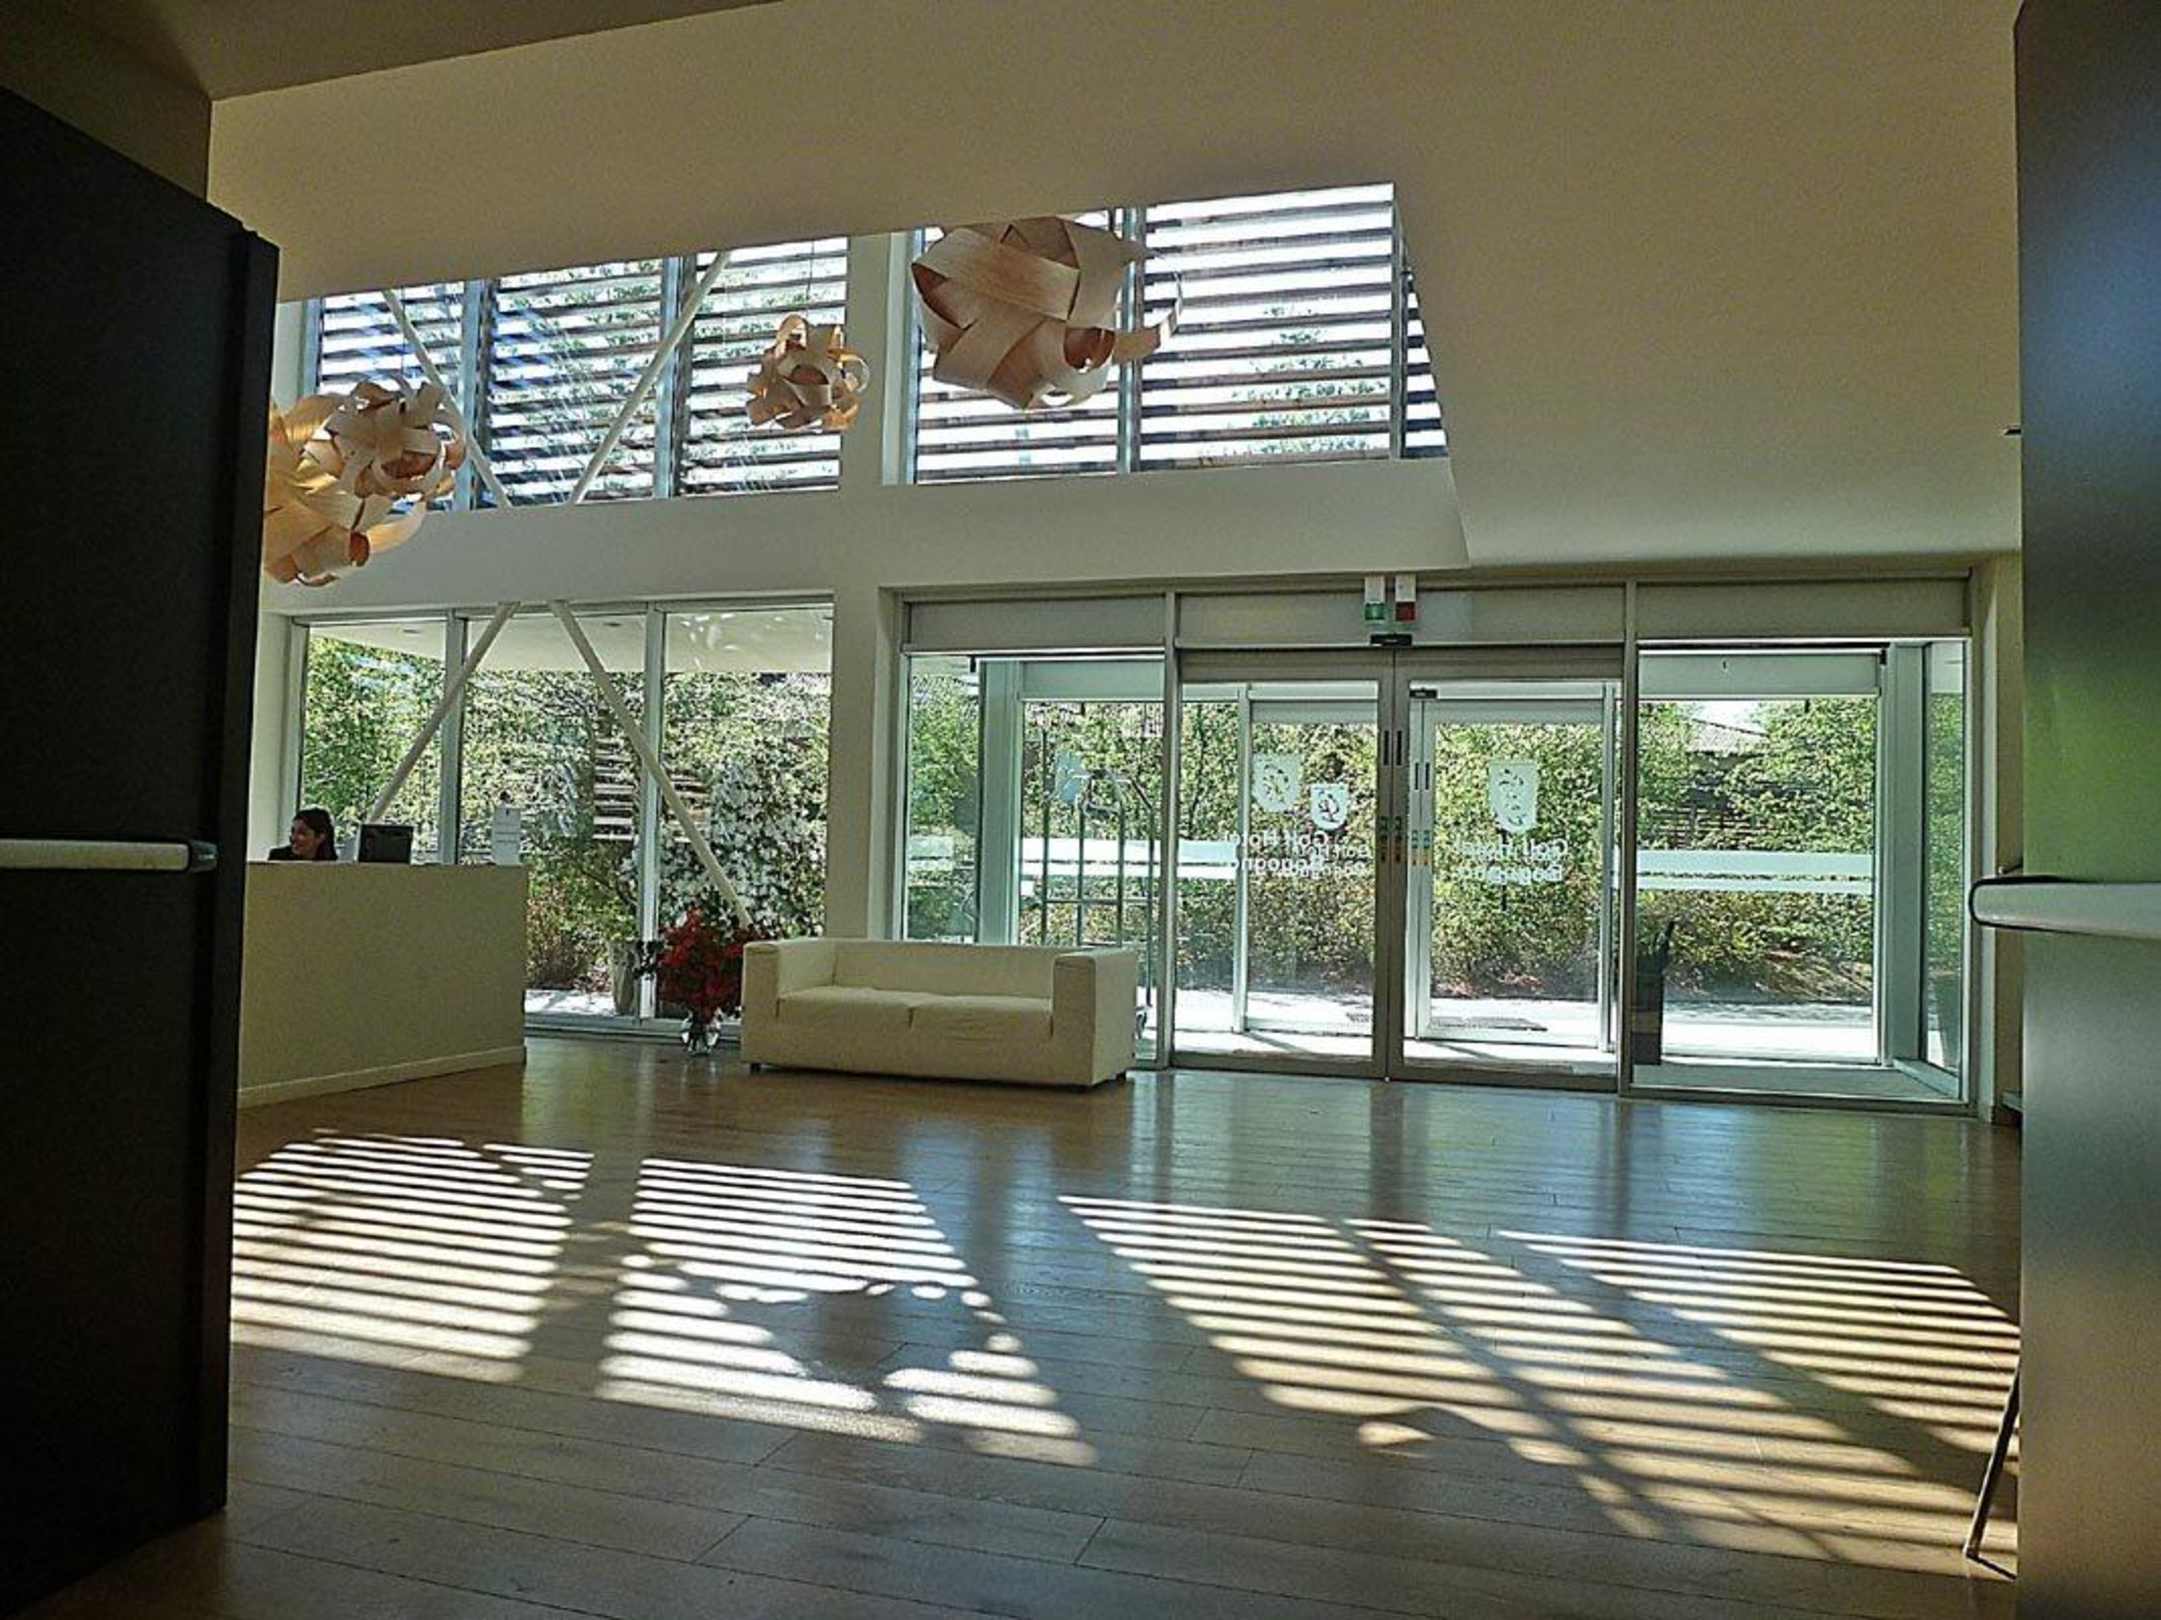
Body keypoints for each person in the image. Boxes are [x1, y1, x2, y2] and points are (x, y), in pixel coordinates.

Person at [269, 807, 338, 862]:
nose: (293, 838)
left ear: (320, 837)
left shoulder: (332, 865)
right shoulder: (278, 858)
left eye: (302, 833)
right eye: (293, 832)